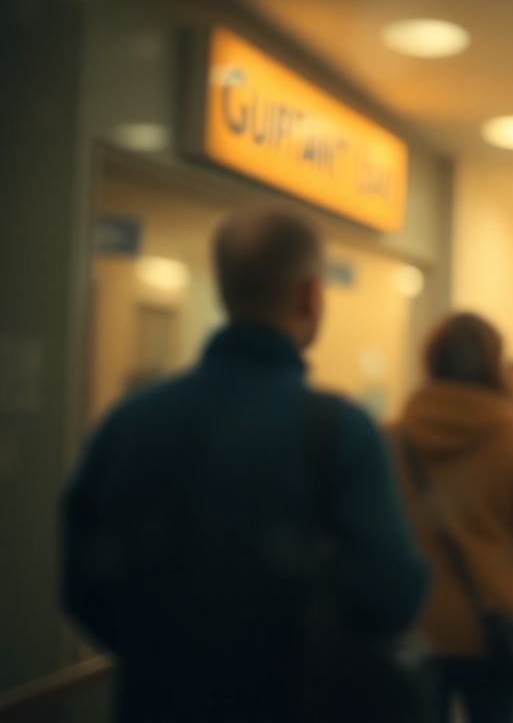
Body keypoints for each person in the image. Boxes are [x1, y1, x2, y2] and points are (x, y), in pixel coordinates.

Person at [61, 211, 429, 723]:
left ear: (223, 290)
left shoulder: (130, 421)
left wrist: (165, 653)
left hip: (159, 702)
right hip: (298, 700)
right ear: (309, 295)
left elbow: (82, 583)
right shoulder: (340, 431)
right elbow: (394, 593)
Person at [393, 313, 513, 723]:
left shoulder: (394, 438)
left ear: (430, 362)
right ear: (494, 364)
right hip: (496, 622)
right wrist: (507, 562)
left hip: (416, 620)